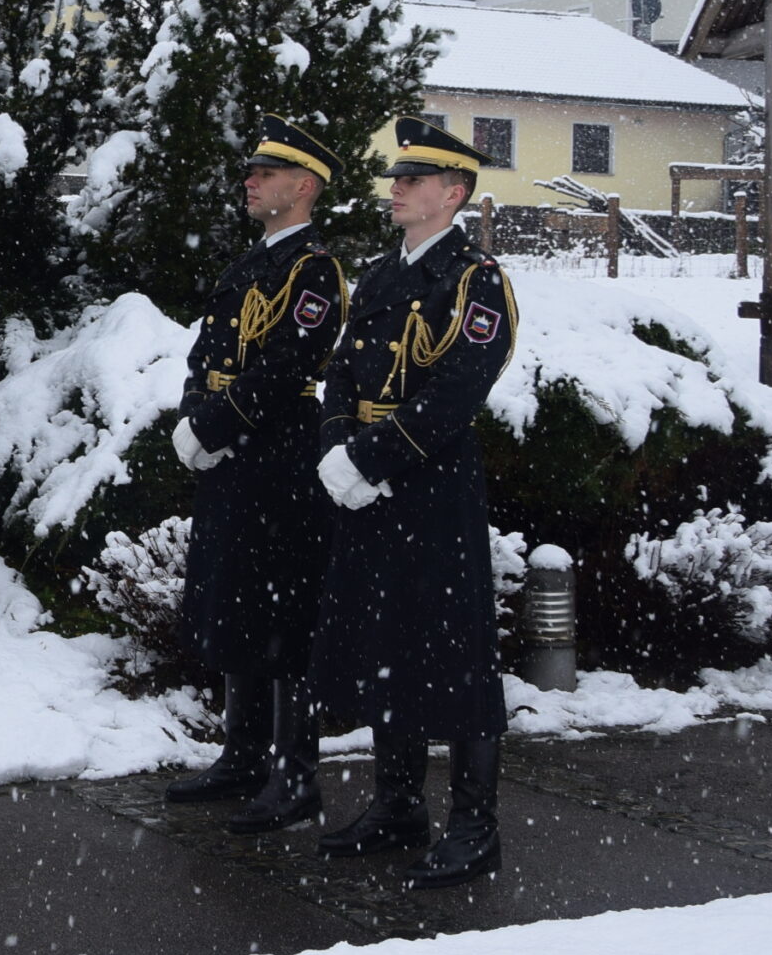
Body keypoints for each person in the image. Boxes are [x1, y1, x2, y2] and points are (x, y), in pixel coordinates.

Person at [311, 116, 518, 890]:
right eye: (396, 177)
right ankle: (399, 804)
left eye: (413, 179)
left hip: (432, 487)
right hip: (369, 488)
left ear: (453, 193)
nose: (395, 189)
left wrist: (371, 457)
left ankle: (475, 826)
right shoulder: (379, 275)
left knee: (457, 655)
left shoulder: (474, 281)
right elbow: (341, 371)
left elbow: (457, 391)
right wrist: (338, 445)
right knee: (385, 641)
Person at [166, 115, 350, 833]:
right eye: (251, 171)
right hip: (234, 460)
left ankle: (295, 774)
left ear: (303, 187)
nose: (250, 180)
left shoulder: (313, 270)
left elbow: (285, 367)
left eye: (266, 173)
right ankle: (242, 755)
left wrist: (214, 425)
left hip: (280, 461)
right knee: (236, 603)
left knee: (284, 615)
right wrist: (194, 417)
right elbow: (205, 352)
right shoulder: (247, 264)